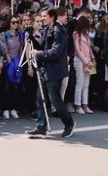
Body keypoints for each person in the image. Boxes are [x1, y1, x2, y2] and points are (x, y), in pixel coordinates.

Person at [26, 8, 75, 138]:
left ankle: (69, 123)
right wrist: (31, 37)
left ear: (52, 17)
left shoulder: (58, 31)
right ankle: (41, 126)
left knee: (55, 100)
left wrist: (38, 54)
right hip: (45, 69)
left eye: (44, 16)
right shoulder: (47, 29)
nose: (42, 19)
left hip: (55, 70)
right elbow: (42, 47)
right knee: (39, 98)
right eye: (41, 16)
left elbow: (56, 52)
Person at [71, 15, 95, 114]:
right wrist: (86, 61)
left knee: (86, 84)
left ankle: (85, 104)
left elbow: (89, 48)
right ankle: (78, 105)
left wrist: (92, 58)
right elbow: (78, 49)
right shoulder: (76, 34)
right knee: (80, 83)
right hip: (80, 60)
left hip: (88, 60)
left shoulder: (86, 34)